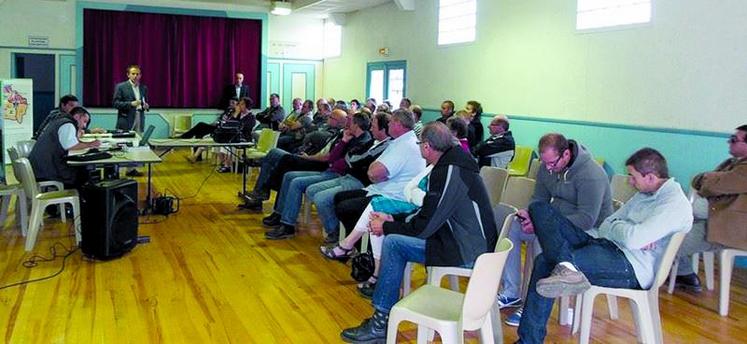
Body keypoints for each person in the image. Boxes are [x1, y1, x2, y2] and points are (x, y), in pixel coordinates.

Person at [340, 122, 498, 343]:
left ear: (427, 146)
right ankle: (382, 306)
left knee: (393, 243)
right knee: (394, 239)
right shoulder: (452, 164)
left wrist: (386, 226)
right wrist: (393, 219)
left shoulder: (450, 171)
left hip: (469, 251)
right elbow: (428, 212)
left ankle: (380, 321)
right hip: (462, 241)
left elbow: (425, 226)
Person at [515, 148, 693, 344]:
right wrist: (630, 229)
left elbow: (632, 239)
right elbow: (607, 224)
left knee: (545, 261)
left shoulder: (674, 204)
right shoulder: (645, 193)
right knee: (539, 208)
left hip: (630, 267)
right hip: (605, 245)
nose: (630, 182)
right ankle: (566, 267)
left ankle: (529, 340)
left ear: (650, 177)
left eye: (633, 177)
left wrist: (628, 231)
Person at [500, 133, 612, 326]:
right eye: (545, 164)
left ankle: (531, 307)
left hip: (589, 232)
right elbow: (538, 199)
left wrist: (544, 225)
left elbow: (586, 219)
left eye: (552, 163)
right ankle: (511, 292)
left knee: (542, 239)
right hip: (556, 221)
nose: (548, 169)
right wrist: (530, 215)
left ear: (566, 154)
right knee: (512, 227)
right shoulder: (546, 167)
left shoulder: (591, 174)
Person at [263, 112, 372, 240]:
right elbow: (333, 157)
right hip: (331, 170)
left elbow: (340, 162)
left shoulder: (362, 140)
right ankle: (280, 214)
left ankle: (287, 225)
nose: (347, 121)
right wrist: (343, 141)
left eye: (350, 119)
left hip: (338, 174)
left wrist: (340, 147)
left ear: (356, 124)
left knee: (295, 180)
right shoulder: (348, 135)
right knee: (288, 175)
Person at [672, 124, 747, 292]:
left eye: (734, 140)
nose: (729, 142)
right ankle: (683, 274)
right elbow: (698, 180)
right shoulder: (731, 163)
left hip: (728, 230)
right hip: (714, 220)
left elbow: (714, 186)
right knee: (671, 229)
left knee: (670, 240)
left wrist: (711, 180)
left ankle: (683, 274)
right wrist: (711, 181)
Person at [310, 112, 392, 244]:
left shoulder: (386, 145)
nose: (371, 128)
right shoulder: (373, 140)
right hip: (348, 176)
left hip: (359, 182)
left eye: (374, 126)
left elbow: (356, 159)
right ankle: (335, 228)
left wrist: (352, 158)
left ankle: (335, 233)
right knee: (312, 190)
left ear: (383, 129)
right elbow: (349, 157)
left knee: (321, 198)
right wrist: (351, 156)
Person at [27, 107, 100, 189]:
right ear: (76, 117)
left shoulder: (59, 120)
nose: (84, 125)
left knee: (81, 170)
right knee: (82, 173)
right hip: (46, 171)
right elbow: (70, 146)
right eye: (84, 121)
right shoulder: (68, 124)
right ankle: (77, 198)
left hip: (39, 168)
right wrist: (90, 144)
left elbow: (70, 142)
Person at [113, 64, 149, 177]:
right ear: (128, 75)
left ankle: (131, 169)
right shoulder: (121, 87)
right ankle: (117, 170)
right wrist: (131, 104)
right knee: (123, 144)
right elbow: (115, 103)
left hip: (139, 117)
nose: (135, 76)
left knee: (137, 144)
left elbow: (144, 102)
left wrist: (146, 106)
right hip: (126, 119)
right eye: (133, 73)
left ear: (140, 75)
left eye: (137, 74)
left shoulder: (143, 88)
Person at [216, 97, 256, 173]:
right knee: (219, 142)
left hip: (244, 139)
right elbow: (228, 125)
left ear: (246, 105)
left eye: (241, 104)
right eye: (239, 104)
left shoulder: (251, 117)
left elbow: (241, 127)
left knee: (228, 144)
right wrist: (235, 114)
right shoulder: (237, 114)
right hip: (234, 137)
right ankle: (224, 163)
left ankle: (227, 166)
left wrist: (236, 114)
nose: (239, 106)